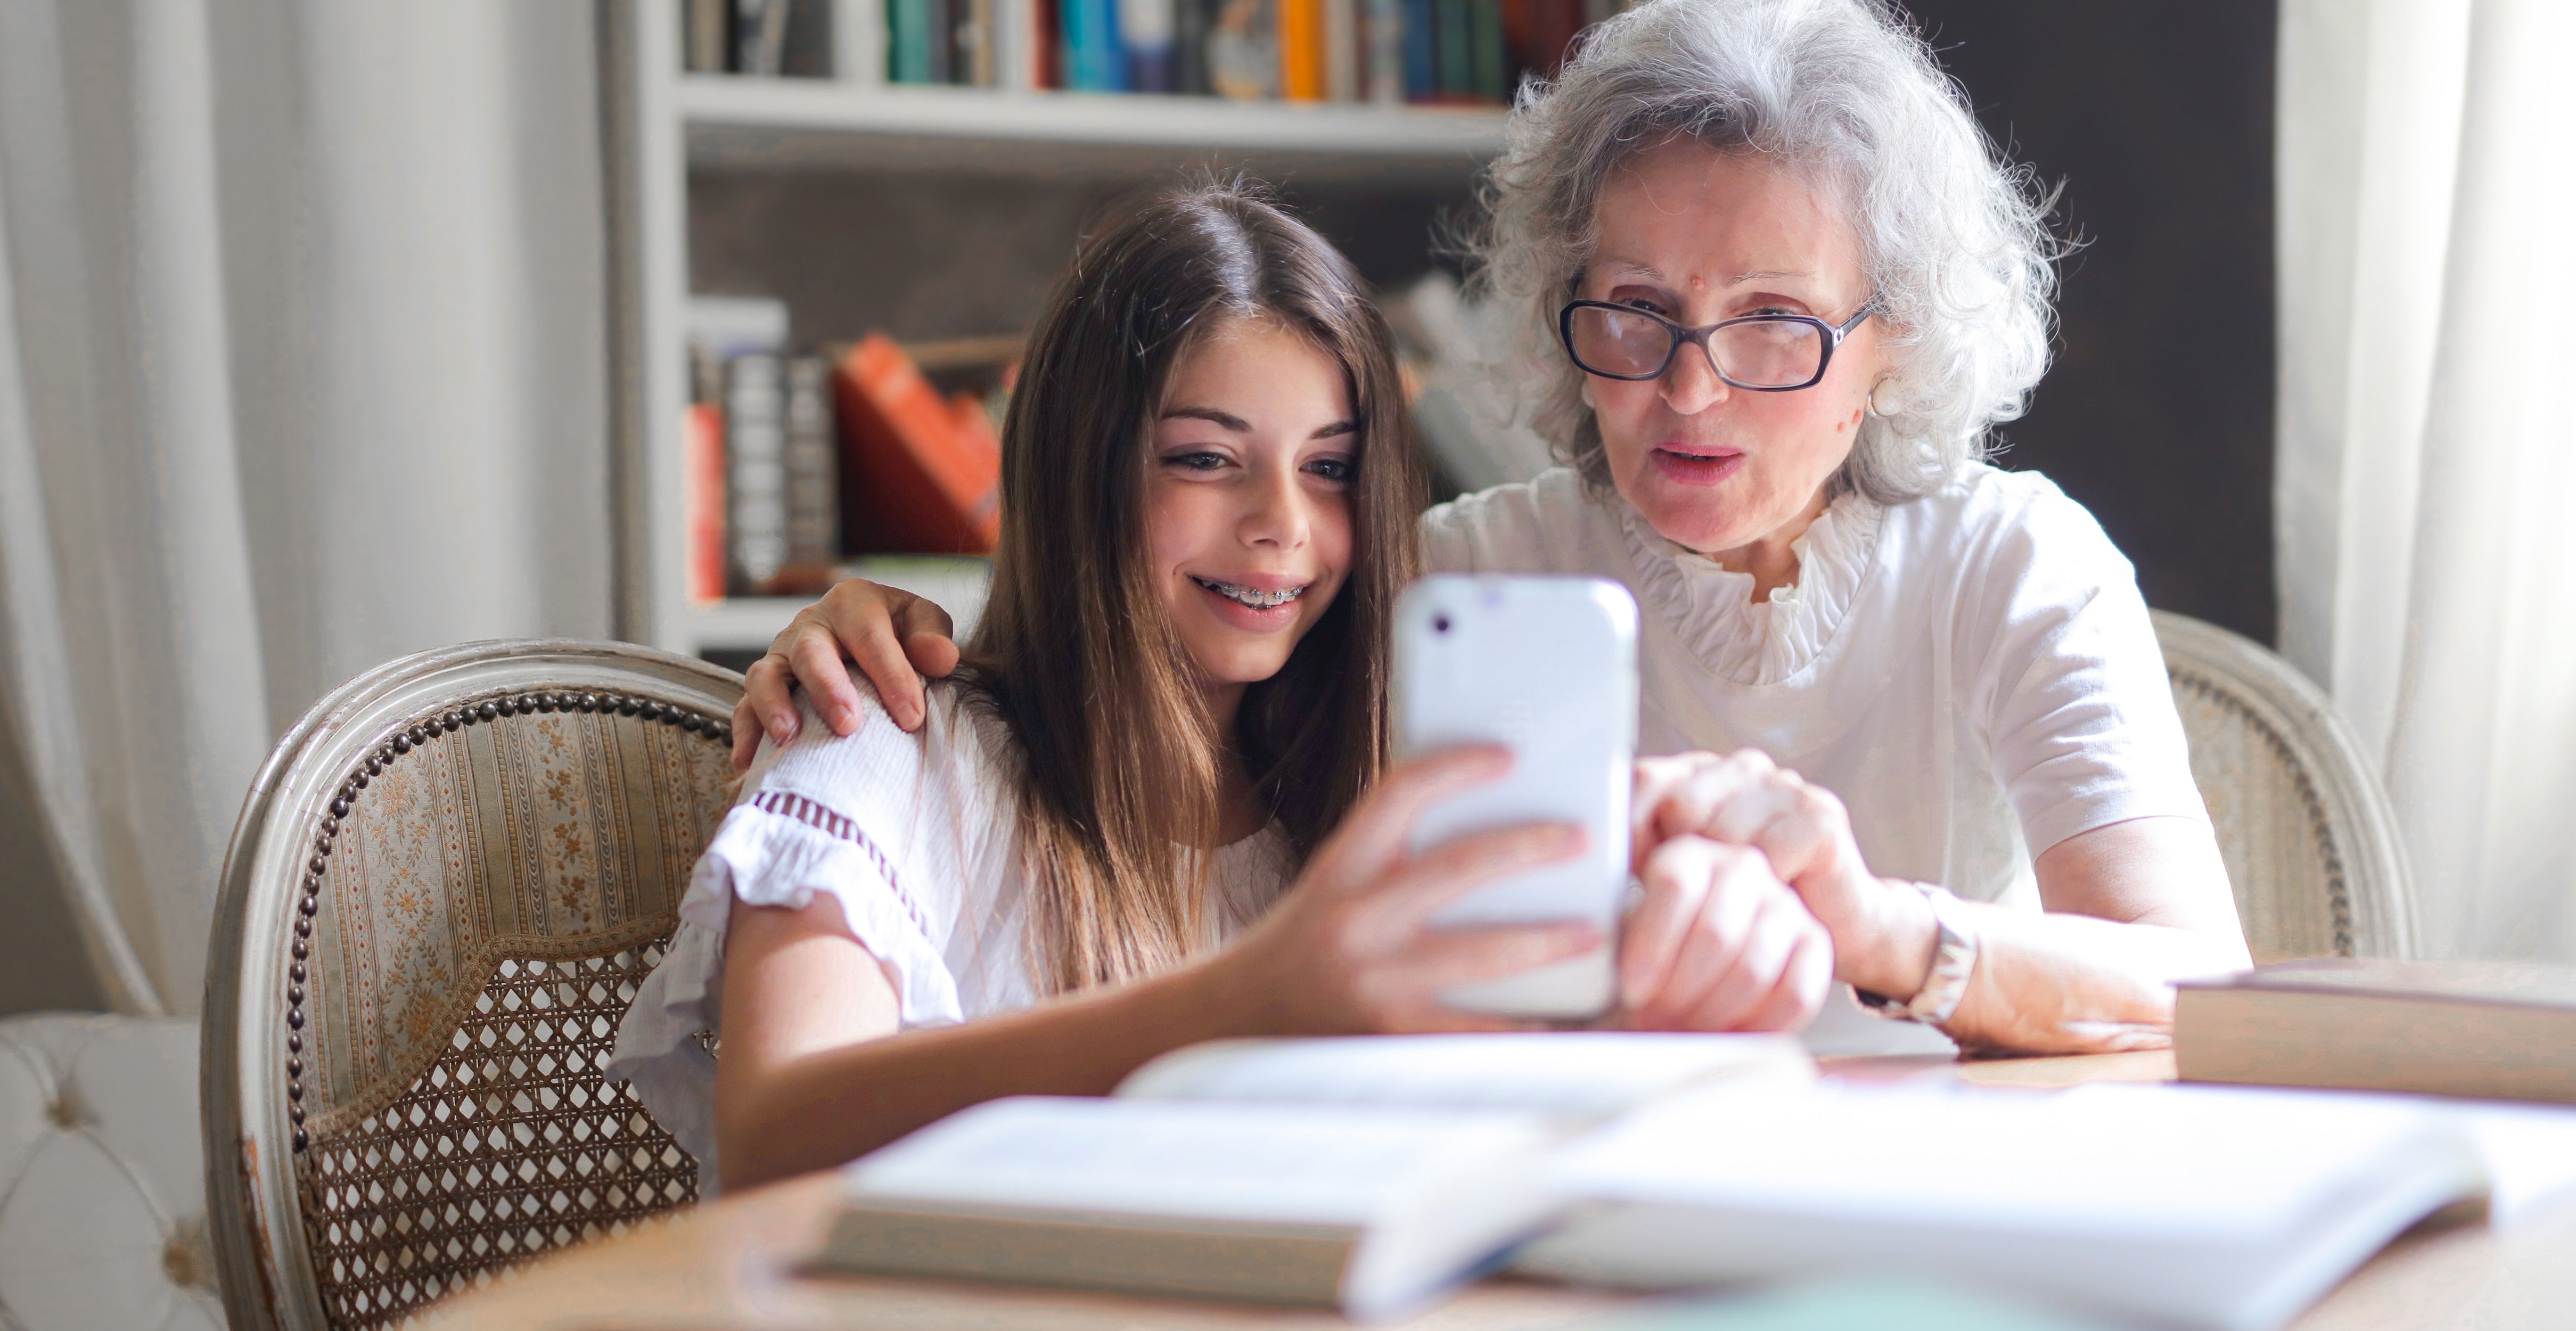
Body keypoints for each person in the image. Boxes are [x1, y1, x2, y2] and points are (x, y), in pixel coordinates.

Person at [733, 0, 2254, 1057]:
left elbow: (2200, 987)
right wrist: (872, 627)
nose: (1685, 387)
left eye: (1775, 323)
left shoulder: (2013, 561)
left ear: (1895, 346)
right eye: (1636, 311)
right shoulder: (1454, 576)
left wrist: (1878, 927)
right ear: (1556, 301)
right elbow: (1143, 676)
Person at [610, 183, 1832, 1196]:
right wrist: (1251, 998)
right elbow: (775, 1131)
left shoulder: (1361, 798)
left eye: (1332, 470)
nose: (1281, 530)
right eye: (1205, 460)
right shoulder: (885, 739)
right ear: (1079, 469)